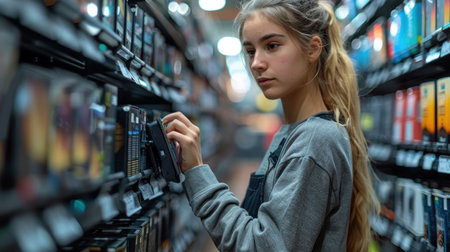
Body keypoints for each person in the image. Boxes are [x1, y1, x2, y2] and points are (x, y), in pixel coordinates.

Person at [162, 0, 380, 251]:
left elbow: (262, 247)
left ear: (312, 49)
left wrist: (198, 172)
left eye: (272, 45)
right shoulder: (294, 132)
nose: (256, 63)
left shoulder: (314, 140)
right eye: (251, 51)